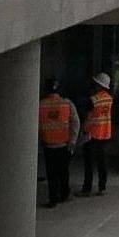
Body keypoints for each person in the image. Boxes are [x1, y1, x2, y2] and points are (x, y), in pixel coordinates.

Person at [38, 79, 79, 207]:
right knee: (63, 171)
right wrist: (73, 140)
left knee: (51, 173)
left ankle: (53, 199)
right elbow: (75, 123)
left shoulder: (41, 105)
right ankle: (64, 194)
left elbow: (36, 125)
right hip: (63, 144)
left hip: (48, 144)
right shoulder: (67, 104)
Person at [79, 71, 113, 196]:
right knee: (102, 162)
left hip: (91, 135)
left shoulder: (93, 100)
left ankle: (87, 188)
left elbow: (87, 117)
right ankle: (102, 187)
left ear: (98, 85)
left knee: (89, 163)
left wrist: (83, 132)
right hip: (105, 134)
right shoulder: (109, 99)